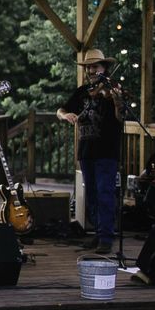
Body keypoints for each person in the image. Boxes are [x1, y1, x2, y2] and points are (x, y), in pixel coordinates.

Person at [56, 49, 125, 254]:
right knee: (93, 195)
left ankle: (106, 237)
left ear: (105, 68)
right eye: (89, 67)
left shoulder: (112, 90)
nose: (91, 70)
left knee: (105, 193)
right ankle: (98, 232)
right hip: (86, 150)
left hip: (106, 150)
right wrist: (66, 115)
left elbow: (120, 118)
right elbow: (60, 110)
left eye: (95, 66)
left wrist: (117, 101)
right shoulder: (82, 91)